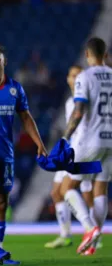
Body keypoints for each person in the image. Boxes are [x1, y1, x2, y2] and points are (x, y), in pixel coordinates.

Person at [0, 43, 47, 264]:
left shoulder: (15, 88)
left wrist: (39, 143)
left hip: (6, 154)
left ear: (4, 61)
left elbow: (25, 117)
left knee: (3, 203)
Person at [60, 37, 111, 255]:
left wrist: (65, 137)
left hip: (90, 141)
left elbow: (79, 110)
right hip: (110, 141)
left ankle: (90, 229)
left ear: (88, 55)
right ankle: (94, 241)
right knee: (100, 191)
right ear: (105, 54)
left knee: (67, 187)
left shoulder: (85, 76)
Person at [45, 65, 82, 249]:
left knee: (85, 193)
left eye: (77, 75)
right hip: (69, 152)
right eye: (71, 75)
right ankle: (66, 234)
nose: (73, 79)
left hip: (81, 151)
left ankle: (93, 231)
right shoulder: (69, 102)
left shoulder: (85, 99)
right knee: (56, 192)